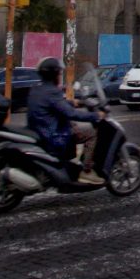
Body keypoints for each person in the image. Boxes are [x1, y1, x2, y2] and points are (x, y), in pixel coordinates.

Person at [27, 57, 105, 185]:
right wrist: (96, 115)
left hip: (41, 128)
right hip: (54, 133)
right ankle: (86, 171)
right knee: (92, 132)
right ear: (53, 74)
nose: (59, 75)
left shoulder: (37, 88)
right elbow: (70, 113)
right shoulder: (52, 91)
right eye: (58, 72)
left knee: (76, 126)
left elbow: (53, 105)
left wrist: (72, 102)